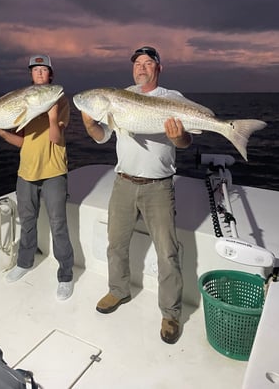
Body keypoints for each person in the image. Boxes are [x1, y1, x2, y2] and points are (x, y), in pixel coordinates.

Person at [80, 46, 192, 343]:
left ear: (159, 68)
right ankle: (118, 290)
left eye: (148, 63)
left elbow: (185, 142)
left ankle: (171, 313)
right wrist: (91, 123)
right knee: (116, 244)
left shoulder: (172, 98)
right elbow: (103, 136)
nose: (141, 68)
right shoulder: (118, 97)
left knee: (167, 252)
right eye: (137, 64)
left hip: (158, 186)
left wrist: (178, 136)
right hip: (123, 184)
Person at [0, 54, 74, 300]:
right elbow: (22, 142)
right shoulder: (25, 104)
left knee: (58, 225)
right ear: (31, 75)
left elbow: (56, 138)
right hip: (26, 173)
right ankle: (24, 262)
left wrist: (53, 117)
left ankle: (65, 275)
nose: (40, 73)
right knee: (27, 220)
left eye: (44, 70)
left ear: (51, 75)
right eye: (35, 70)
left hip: (54, 171)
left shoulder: (60, 101)